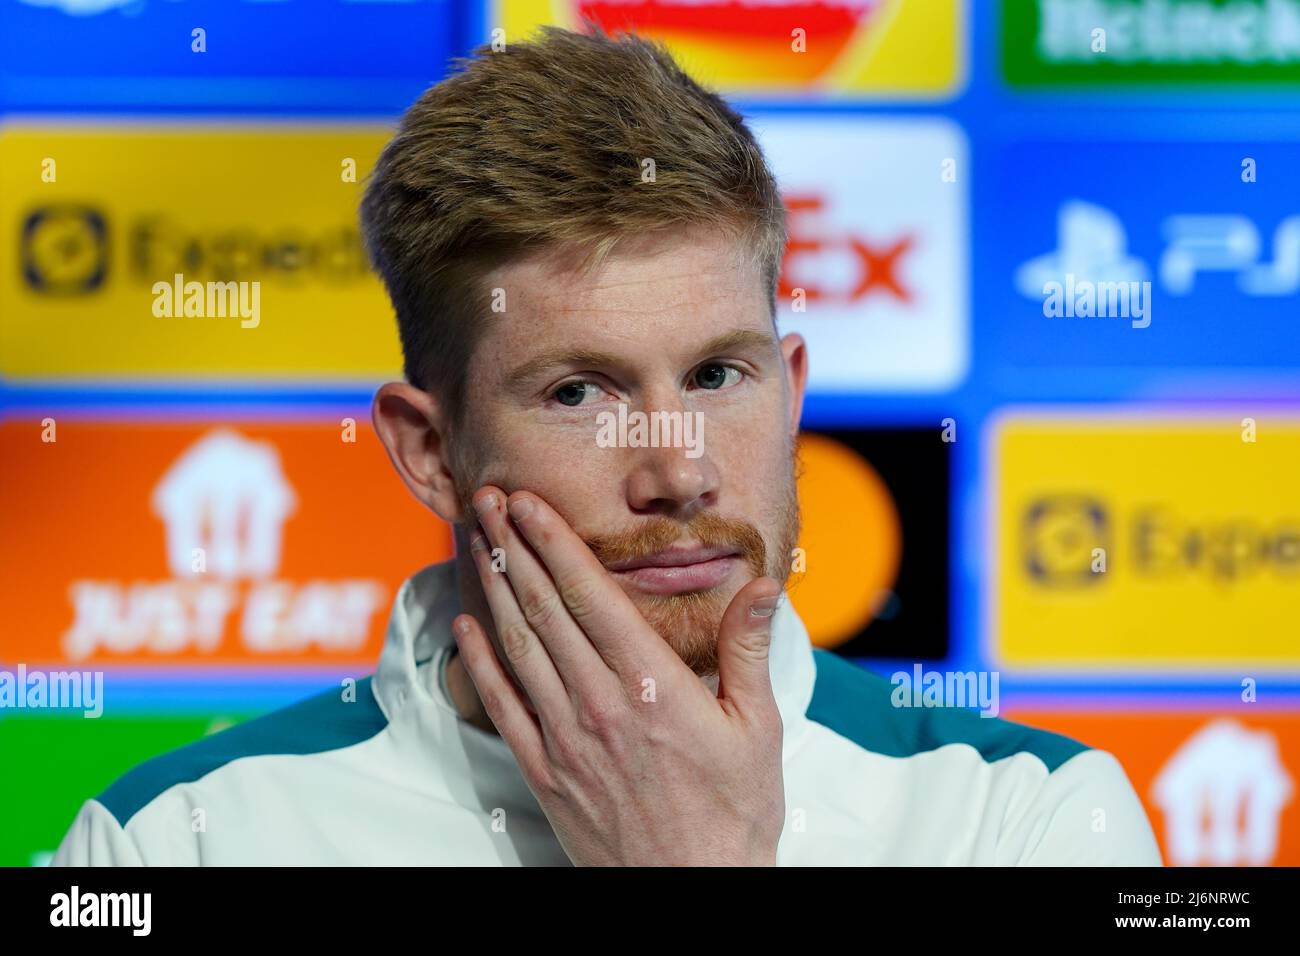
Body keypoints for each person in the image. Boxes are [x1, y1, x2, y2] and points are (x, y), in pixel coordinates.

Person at [52, 25, 1161, 866]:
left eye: (719, 374)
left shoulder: (1025, 813)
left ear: (790, 397)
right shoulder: (169, 843)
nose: (678, 468)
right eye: (580, 390)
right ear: (429, 449)